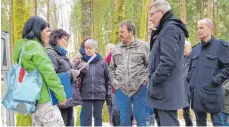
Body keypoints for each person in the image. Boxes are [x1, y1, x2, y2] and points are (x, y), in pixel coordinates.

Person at [13, 16, 67, 126]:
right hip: (45, 101)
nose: (49, 34)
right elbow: (49, 74)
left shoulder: (24, 47)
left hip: (33, 101)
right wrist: (61, 95)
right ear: (38, 30)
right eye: (46, 30)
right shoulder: (35, 47)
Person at [147, 0, 189, 126]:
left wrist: (154, 80)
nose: (150, 19)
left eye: (152, 14)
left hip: (166, 90)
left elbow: (168, 61)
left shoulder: (170, 29)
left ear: (161, 12)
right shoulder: (164, 29)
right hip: (163, 90)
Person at [187, 18, 229, 126]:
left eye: (201, 27)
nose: (198, 30)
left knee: (218, 123)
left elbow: (227, 67)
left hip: (213, 93)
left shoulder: (221, 46)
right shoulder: (195, 49)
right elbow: (190, 69)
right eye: (197, 28)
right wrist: (191, 84)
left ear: (210, 29)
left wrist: (215, 80)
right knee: (200, 124)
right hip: (197, 96)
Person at [110, 20, 150, 126]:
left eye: (122, 32)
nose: (120, 34)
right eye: (119, 32)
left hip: (140, 88)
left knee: (141, 119)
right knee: (124, 120)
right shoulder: (116, 48)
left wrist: (145, 80)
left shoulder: (144, 46)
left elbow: (150, 66)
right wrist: (115, 82)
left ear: (131, 31)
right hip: (122, 90)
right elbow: (111, 68)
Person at [46, 29, 82, 126]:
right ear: (57, 39)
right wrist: (71, 74)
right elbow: (51, 77)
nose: (67, 43)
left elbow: (63, 71)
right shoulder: (51, 54)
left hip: (67, 100)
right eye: (65, 40)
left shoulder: (60, 54)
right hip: (59, 101)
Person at [76, 38, 112, 126]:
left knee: (98, 117)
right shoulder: (81, 62)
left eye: (90, 48)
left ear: (95, 49)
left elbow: (108, 79)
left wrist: (108, 94)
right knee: (86, 117)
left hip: (99, 94)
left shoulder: (102, 62)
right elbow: (74, 77)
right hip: (85, 94)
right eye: (86, 48)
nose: (87, 50)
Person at [183, 40, 193, 126]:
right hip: (181, 88)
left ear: (190, 48)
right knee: (185, 111)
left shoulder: (193, 58)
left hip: (190, 88)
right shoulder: (180, 58)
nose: (183, 50)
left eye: (185, 48)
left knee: (187, 111)